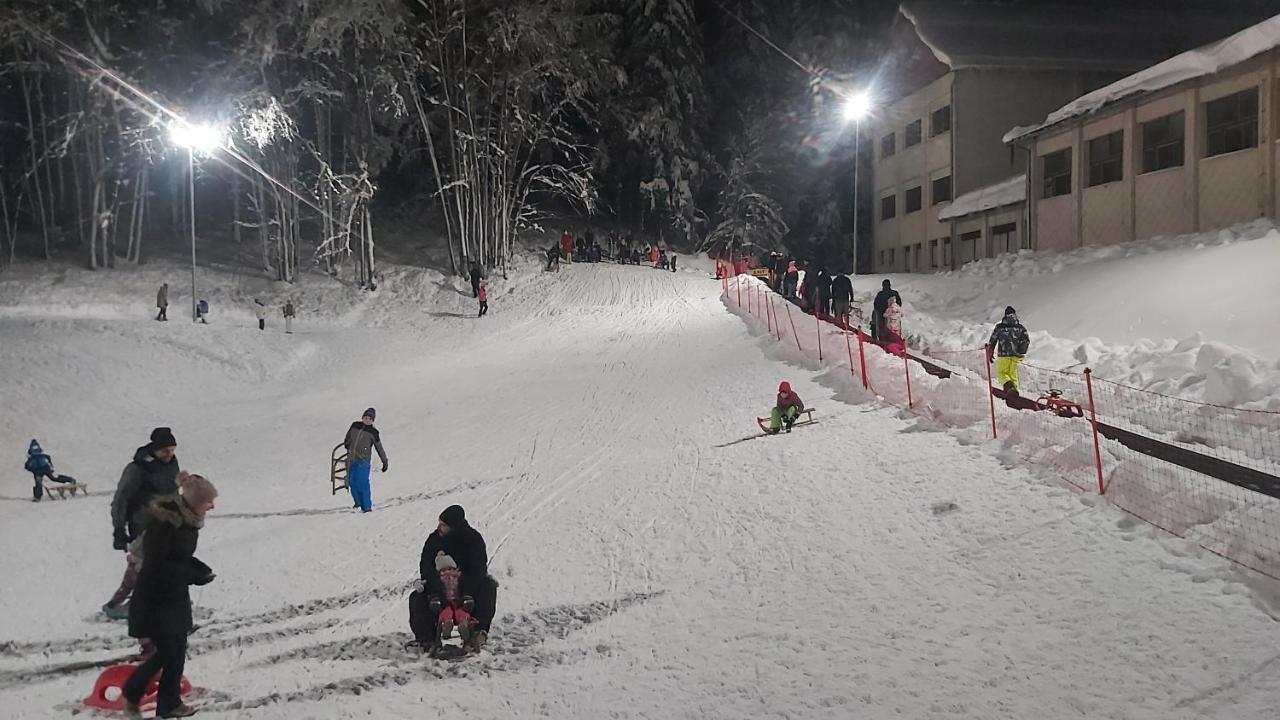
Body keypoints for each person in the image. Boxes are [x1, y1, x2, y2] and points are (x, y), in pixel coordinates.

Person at [121, 472, 217, 720]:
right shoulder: (166, 524)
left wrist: (197, 568)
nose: (212, 506)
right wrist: (190, 573)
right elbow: (157, 565)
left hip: (172, 596)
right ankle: (137, 694)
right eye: (208, 501)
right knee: (170, 652)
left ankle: (165, 703)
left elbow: (176, 557)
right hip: (156, 599)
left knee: (174, 651)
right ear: (195, 502)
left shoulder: (185, 522)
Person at [104, 428, 181, 620]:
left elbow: (173, 492)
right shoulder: (137, 469)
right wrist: (119, 529)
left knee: (161, 564)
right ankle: (135, 602)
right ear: (154, 450)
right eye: (165, 450)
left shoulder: (172, 464)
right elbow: (121, 499)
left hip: (168, 523)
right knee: (145, 565)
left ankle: (133, 600)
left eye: (172, 449)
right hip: (144, 524)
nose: (169, 454)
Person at [408, 505, 498, 655]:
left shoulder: (474, 540)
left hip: (468, 592)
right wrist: (435, 593)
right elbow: (426, 568)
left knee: (488, 587)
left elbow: (478, 570)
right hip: (439, 591)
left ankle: (477, 633)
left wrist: (466, 593)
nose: (439, 527)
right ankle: (426, 639)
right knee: (416, 598)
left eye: (443, 525)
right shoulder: (434, 540)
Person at [343, 408, 388, 513]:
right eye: (365, 417)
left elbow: (379, 447)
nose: (367, 420)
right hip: (351, 458)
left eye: (370, 418)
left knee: (362, 483)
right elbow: (348, 436)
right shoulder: (355, 425)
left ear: (373, 421)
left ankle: (367, 506)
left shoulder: (373, 432)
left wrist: (384, 461)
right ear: (362, 417)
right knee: (352, 481)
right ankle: (358, 503)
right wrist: (347, 443)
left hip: (363, 460)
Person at [987, 306, 1030, 395]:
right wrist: (1021, 352)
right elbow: (1026, 341)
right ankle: (1016, 393)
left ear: (1005, 315)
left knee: (1002, 373)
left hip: (1003, 355)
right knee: (1012, 374)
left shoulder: (1000, 327)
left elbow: (993, 340)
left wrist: (990, 353)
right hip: (1015, 355)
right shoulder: (1020, 328)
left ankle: (1009, 388)